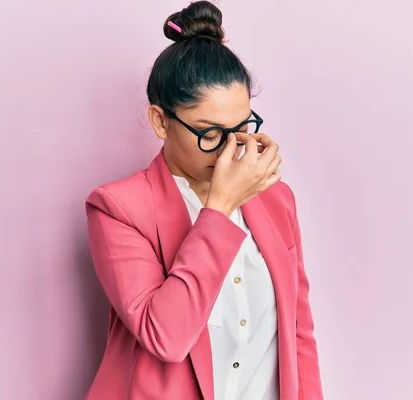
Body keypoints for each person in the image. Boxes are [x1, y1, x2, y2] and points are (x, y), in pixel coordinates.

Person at [84, 1, 323, 399]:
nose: (230, 149)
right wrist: (220, 208)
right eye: (209, 133)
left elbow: (299, 334)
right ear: (161, 121)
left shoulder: (276, 199)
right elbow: (167, 338)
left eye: (241, 127)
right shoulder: (117, 208)